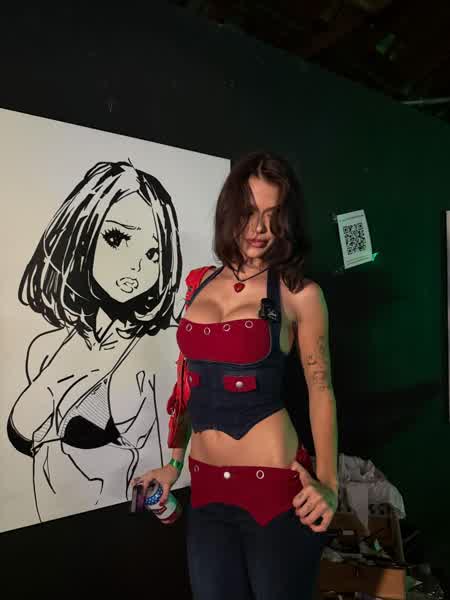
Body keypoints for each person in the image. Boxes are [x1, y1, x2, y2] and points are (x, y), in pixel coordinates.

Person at [133, 152, 338, 599]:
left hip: (277, 493)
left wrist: (330, 484)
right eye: (248, 212)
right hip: (206, 491)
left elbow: (321, 389)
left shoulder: (299, 294)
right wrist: (173, 464)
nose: (259, 228)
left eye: (272, 214)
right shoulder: (198, 284)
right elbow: (188, 384)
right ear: (230, 212)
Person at [7, 160, 182, 522]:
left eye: (152, 253)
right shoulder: (44, 348)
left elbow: (155, 468)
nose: (137, 267)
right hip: (49, 534)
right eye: (117, 239)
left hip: (119, 532)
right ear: (80, 236)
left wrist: (148, 520)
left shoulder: (151, 351)